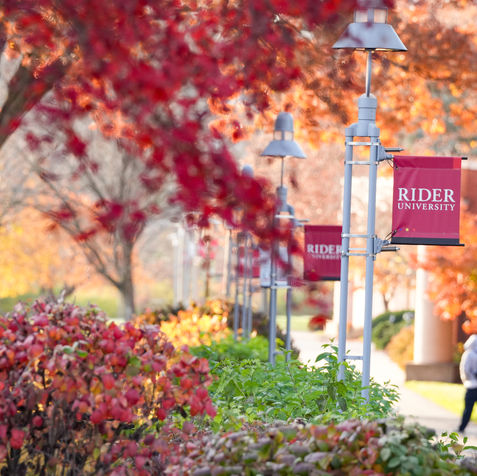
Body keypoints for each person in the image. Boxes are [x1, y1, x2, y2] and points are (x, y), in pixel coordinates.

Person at [458, 334, 477, 433]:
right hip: (473, 384)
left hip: (471, 386)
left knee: (468, 409)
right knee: (468, 409)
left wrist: (469, 378)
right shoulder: (472, 354)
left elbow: (465, 370)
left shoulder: (468, 354)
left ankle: (461, 428)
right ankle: (462, 428)